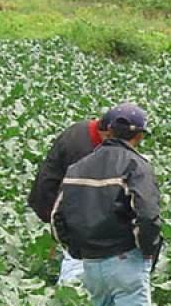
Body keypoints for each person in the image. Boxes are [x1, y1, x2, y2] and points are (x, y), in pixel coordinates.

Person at [52, 103, 161, 306]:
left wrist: (78, 250)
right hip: (124, 258)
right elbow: (147, 216)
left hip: (91, 261)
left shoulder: (78, 167)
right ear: (138, 136)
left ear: (107, 131)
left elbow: (58, 217)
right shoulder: (137, 165)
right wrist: (148, 251)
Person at [28, 107, 117, 282]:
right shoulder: (83, 149)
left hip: (54, 197)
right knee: (76, 258)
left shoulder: (84, 131)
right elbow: (81, 196)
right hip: (54, 200)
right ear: (106, 133)